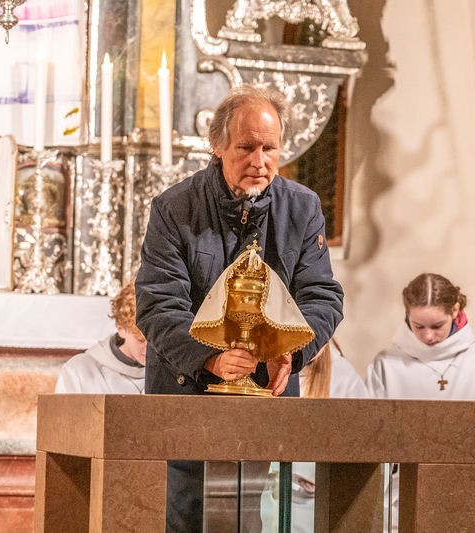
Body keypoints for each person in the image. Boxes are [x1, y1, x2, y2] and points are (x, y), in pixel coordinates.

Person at [135, 84, 344, 532]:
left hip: (264, 398)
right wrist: (209, 357)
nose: (260, 161)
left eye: (270, 148)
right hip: (186, 395)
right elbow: (157, 303)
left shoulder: (302, 207)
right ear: (217, 146)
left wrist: (291, 350)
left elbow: (322, 296)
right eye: (246, 147)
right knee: (185, 517)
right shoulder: (174, 208)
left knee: (247, 519)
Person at [367, 273, 475, 533]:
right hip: (406, 487)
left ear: (455, 311)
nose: (428, 335)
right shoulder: (387, 364)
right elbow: (369, 431)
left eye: (437, 325)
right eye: (418, 326)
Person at [261, 339, 369, 533]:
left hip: (314, 506)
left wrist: (321, 477)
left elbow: (363, 444)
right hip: (266, 496)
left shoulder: (342, 375)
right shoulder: (262, 368)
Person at [55, 283, 145, 394]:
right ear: (121, 329)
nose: (151, 349)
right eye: (141, 340)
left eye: (156, 340)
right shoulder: (79, 370)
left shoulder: (165, 369)